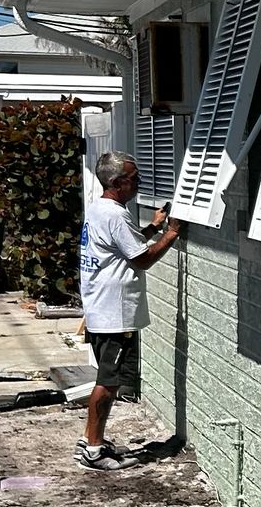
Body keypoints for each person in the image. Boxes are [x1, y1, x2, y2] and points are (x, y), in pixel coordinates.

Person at [76, 152, 184, 469]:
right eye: (134, 178)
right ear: (117, 182)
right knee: (108, 382)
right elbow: (141, 259)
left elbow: (125, 245)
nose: (139, 183)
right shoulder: (115, 216)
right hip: (114, 313)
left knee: (106, 380)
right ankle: (94, 452)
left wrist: (153, 228)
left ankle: (90, 439)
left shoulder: (99, 209)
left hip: (101, 307)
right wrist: (171, 233)